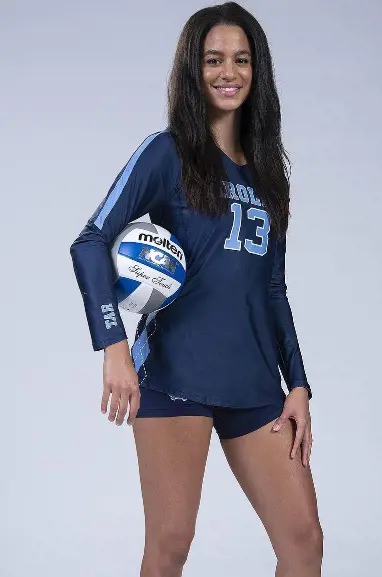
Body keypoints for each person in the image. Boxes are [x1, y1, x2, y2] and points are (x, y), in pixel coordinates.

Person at [68, 3, 322, 575]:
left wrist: (299, 384)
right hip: (174, 377)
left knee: (303, 541)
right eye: (213, 59)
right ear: (193, 69)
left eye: (240, 59)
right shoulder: (168, 152)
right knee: (171, 546)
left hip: (256, 385)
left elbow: (274, 288)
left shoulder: (268, 175)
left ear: (258, 72)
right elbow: (90, 241)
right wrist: (113, 348)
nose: (227, 72)